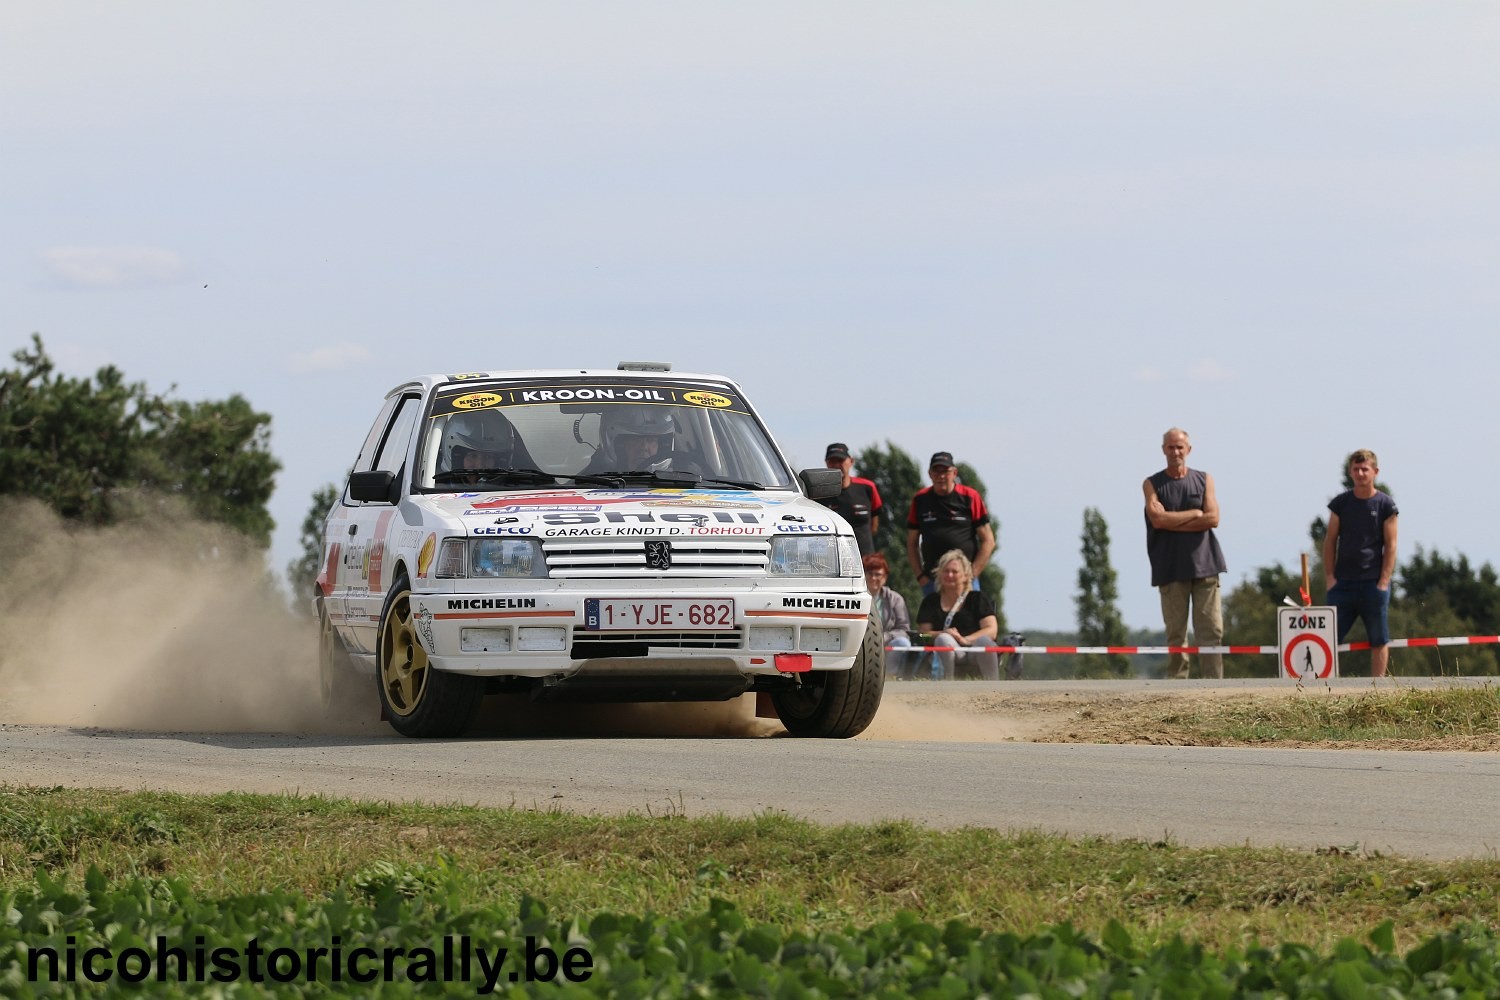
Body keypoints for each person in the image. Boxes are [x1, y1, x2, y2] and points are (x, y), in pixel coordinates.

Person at [1143, 427, 1228, 679]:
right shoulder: (1152, 484)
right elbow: (1157, 520)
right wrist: (1193, 514)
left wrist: (1172, 519)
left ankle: (1214, 685)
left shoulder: (1204, 479)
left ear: (1188, 450)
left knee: (1211, 630)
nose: (1175, 451)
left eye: (1180, 446)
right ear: (1163, 450)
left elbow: (1213, 518)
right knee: (1176, 633)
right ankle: (1178, 685)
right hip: (1170, 568)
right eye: (1170, 447)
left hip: (1205, 566)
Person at [1323, 448, 1399, 678]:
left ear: (1375, 472)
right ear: (1350, 472)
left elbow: (1391, 545)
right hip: (1342, 584)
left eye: (1365, 469)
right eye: (1356, 469)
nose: (1360, 473)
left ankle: (1378, 688)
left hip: (1373, 584)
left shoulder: (1386, 505)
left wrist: (1384, 580)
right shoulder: (1340, 503)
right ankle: (1322, 686)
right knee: (1327, 639)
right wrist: (1330, 577)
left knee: (1379, 639)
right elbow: (1330, 541)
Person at [906, 451, 995, 596]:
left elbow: (988, 540)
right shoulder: (920, 500)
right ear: (929, 474)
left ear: (954, 473)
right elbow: (911, 542)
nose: (941, 476)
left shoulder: (970, 497)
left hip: (965, 580)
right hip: (932, 580)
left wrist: (972, 573)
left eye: (945, 471)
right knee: (933, 619)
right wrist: (920, 576)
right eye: (936, 471)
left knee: (969, 617)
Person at [915, 549, 1001, 680]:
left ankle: (993, 686)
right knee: (943, 639)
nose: (949, 575)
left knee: (984, 641)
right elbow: (923, 634)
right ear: (939, 574)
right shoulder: (930, 601)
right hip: (949, 649)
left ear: (966, 576)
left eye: (954, 572)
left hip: (974, 649)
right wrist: (943, 634)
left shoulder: (978, 598)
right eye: (946, 571)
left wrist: (965, 640)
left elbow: (992, 630)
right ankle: (947, 685)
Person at [819, 443, 884, 556]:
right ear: (826, 463)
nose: (837, 465)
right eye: (832, 461)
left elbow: (874, 523)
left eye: (840, 460)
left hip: (865, 558)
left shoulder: (867, 488)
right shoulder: (819, 493)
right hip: (833, 559)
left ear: (851, 461)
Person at [582, 405, 682, 474]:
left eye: (651, 440)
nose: (644, 447)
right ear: (617, 445)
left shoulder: (687, 478)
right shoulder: (583, 484)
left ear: (662, 445)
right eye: (635, 439)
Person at [439, 410, 526, 483]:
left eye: (488, 456)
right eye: (473, 456)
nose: (480, 464)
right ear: (457, 457)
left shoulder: (515, 489)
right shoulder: (433, 488)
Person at [863, 552, 912, 678]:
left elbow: (904, 630)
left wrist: (885, 637)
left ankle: (890, 677)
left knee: (903, 643)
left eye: (878, 574)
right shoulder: (857, 598)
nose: (873, 578)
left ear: (885, 577)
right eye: (870, 574)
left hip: (887, 644)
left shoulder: (895, 599)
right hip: (861, 644)